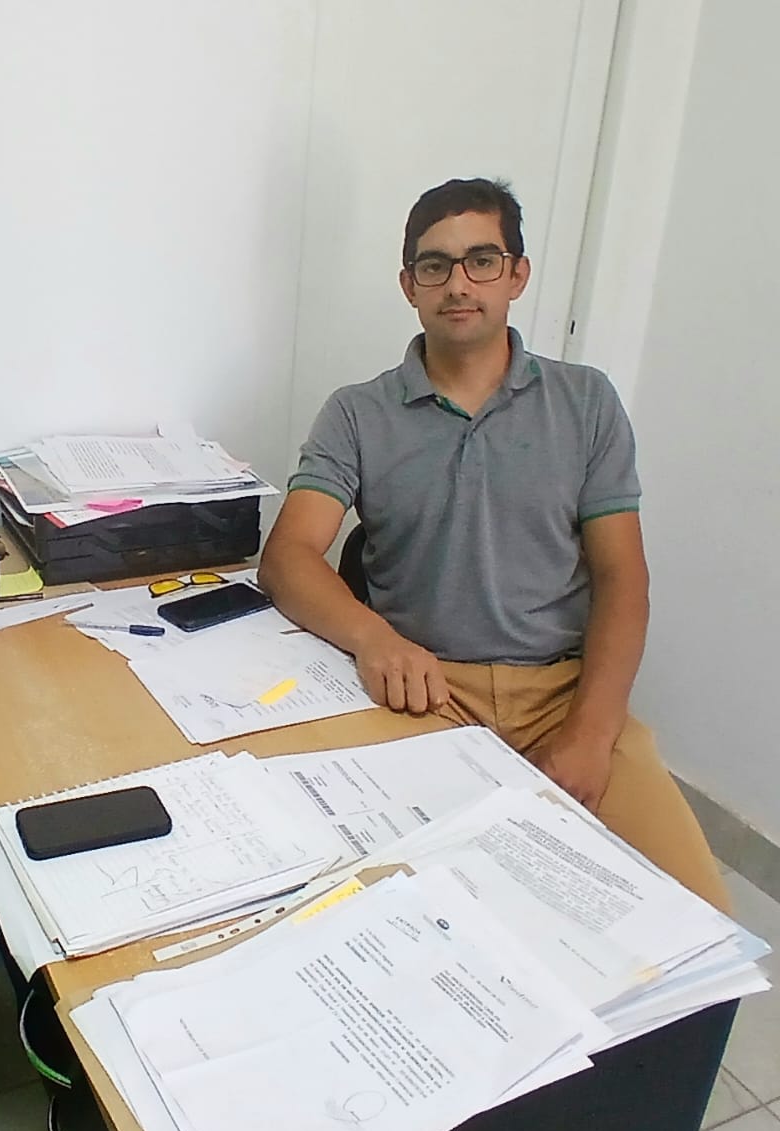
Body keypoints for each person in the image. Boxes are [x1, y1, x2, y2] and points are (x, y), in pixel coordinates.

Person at [257, 176, 728, 913]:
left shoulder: (587, 402)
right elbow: (288, 557)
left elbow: (622, 579)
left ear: (517, 275)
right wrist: (376, 641)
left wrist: (590, 733)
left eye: (482, 260)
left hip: (562, 693)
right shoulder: (357, 413)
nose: (458, 284)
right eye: (434, 265)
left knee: (699, 921)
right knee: (387, 910)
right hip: (422, 694)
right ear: (409, 285)